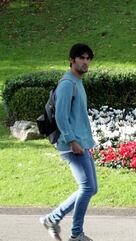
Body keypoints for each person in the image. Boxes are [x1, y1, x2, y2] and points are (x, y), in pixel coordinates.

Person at [40, 43, 97, 241]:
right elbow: (61, 117)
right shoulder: (67, 83)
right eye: (81, 58)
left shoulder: (77, 81)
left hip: (81, 143)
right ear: (72, 60)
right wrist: (72, 140)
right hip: (71, 144)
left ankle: (52, 219)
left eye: (88, 58)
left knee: (91, 188)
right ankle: (76, 234)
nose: (85, 61)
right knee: (87, 187)